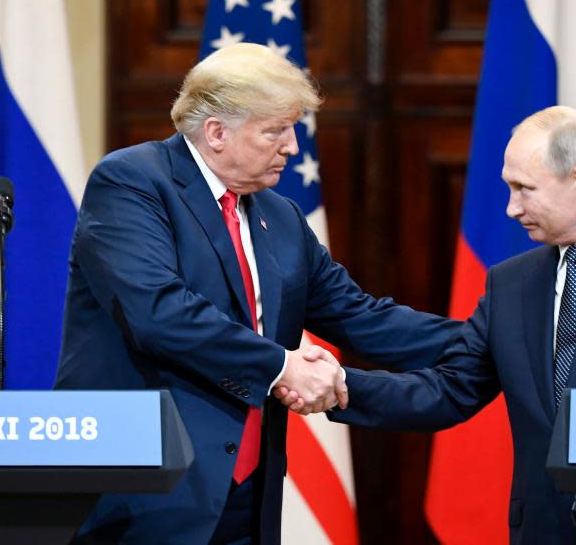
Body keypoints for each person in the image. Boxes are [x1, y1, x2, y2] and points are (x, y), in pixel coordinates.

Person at [280, 105, 576, 543]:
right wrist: (341, 386)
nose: (512, 208)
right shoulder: (512, 284)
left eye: (523, 189)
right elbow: (448, 391)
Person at [54, 42, 459, 544]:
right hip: (143, 497)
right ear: (216, 132)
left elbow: (358, 316)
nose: (292, 146)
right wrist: (282, 366)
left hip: (248, 498)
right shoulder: (133, 183)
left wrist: (490, 339)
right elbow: (161, 314)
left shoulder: (281, 217)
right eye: (275, 130)